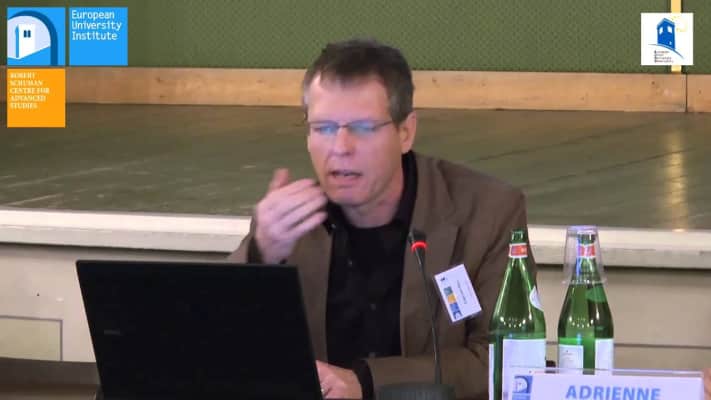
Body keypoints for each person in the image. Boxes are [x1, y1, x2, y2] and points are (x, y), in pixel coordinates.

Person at [228, 38, 535, 399]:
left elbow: (505, 361)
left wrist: (367, 382)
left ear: (405, 132)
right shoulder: (286, 227)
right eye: (323, 128)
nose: (340, 148)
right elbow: (213, 348)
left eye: (362, 128)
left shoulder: (487, 212)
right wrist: (259, 256)